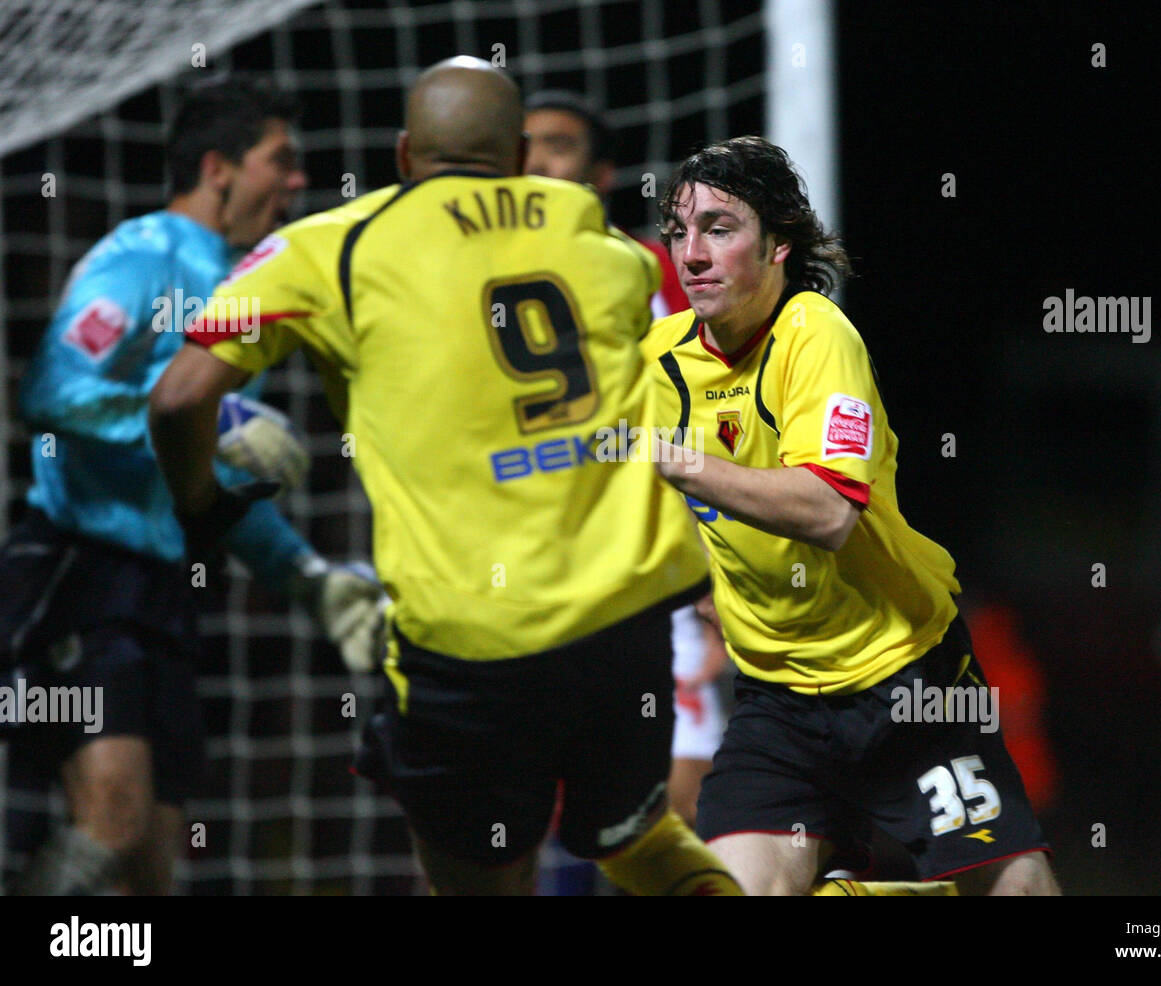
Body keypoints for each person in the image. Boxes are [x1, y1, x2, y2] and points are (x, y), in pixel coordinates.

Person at [148, 57, 742, 896]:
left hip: (472, 645)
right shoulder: (607, 245)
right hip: (628, 623)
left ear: (401, 156)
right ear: (516, 156)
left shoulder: (332, 248)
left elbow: (177, 400)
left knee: (479, 879)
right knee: (640, 840)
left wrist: (201, 507)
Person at [642, 135, 1061, 896]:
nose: (692, 253)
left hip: (902, 677)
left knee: (1017, 887)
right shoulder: (661, 358)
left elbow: (829, 510)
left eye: (721, 228)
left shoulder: (815, 334)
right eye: (679, 231)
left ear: (778, 247)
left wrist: (680, 462)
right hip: (778, 702)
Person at [0, 79, 386, 896]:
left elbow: (207, 482)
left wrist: (308, 583)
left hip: (165, 592)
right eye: (278, 161)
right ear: (216, 168)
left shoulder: (251, 285)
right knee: (113, 816)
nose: (295, 182)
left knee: (149, 868)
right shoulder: (142, 257)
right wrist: (177, 412)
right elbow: (50, 393)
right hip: (79, 572)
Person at [523, 89, 728, 831]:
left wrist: (711, 569)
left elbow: (699, 418)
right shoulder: (461, 277)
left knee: (676, 803)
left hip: (640, 560)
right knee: (513, 811)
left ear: (603, 173)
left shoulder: (652, 273)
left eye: (559, 144)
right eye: (525, 143)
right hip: (515, 560)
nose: (538, 158)